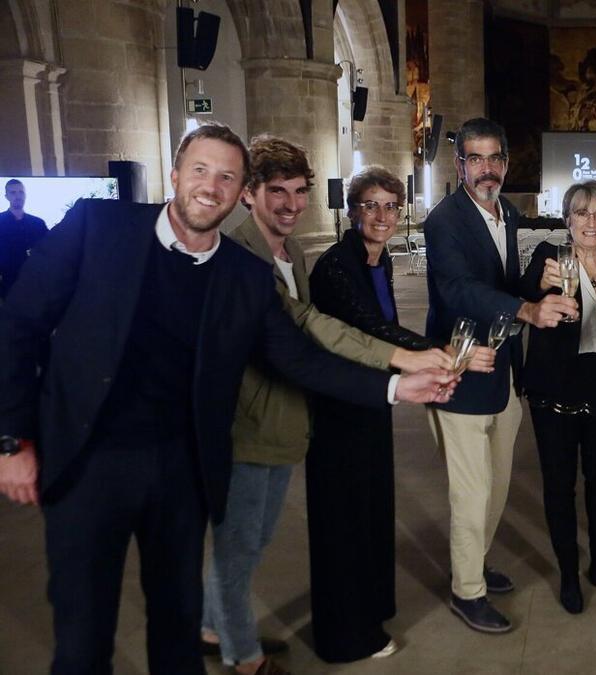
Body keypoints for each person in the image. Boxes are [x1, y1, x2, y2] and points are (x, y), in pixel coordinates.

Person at [0, 122, 454, 674]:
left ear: (238, 188)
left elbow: (298, 354)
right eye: (200, 170)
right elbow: (17, 325)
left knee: (176, 628)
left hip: (182, 467)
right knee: (83, 637)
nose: (210, 186)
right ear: (176, 174)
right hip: (89, 463)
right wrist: (11, 438)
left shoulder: (244, 273)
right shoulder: (98, 226)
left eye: (225, 176)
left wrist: (395, 386)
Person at [199, 142, 472, 673]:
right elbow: (325, 332)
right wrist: (409, 363)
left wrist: (409, 360)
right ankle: (242, 656)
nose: (290, 203)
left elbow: (309, 326)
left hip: (289, 415)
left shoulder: (291, 253)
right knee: (240, 546)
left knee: (252, 538)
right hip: (247, 421)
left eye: (299, 191)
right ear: (248, 194)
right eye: (276, 190)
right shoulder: (241, 256)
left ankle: (214, 628)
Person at [424, 117, 577, 633]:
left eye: (495, 158)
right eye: (475, 159)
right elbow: (459, 291)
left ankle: (476, 561)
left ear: (506, 162)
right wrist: (527, 312)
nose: (486, 168)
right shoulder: (445, 221)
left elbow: (507, 282)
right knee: (471, 492)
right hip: (463, 369)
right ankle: (467, 592)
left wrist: (541, 278)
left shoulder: (507, 212)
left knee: (498, 484)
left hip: (505, 371)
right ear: (459, 164)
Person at [518, 180, 596, 614]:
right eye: (581, 213)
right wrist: (537, 288)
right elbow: (521, 298)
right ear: (567, 219)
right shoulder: (549, 260)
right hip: (555, 392)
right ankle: (568, 573)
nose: (590, 222)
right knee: (559, 485)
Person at [0, 178, 49, 298]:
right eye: (13, 192)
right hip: (7, 284)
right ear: (6, 196)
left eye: (21, 192)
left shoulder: (38, 223)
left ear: (25, 194)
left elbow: (49, 250)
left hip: (36, 284)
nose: (18, 196)